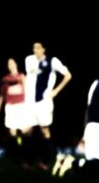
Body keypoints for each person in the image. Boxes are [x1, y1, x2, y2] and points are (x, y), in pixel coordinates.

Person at [52, 63, 99, 178]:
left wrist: (85, 131)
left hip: (92, 125)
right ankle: (71, 162)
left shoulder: (96, 83)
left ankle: (67, 162)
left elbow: (88, 110)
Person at [24, 41, 72, 170]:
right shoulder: (29, 60)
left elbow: (68, 75)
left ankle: (45, 161)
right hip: (30, 102)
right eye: (34, 48)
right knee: (27, 130)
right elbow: (31, 77)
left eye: (38, 48)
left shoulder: (53, 61)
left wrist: (56, 91)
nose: (35, 50)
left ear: (44, 49)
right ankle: (28, 162)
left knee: (45, 130)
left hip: (44, 102)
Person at [0, 57, 33, 164]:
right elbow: (2, 94)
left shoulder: (22, 76)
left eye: (12, 63)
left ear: (16, 64)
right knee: (12, 133)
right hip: (10, 107)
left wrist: (30, 105)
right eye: (9, 63)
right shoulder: (5, 79)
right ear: (7, 66)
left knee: (26, 132)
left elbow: (27, 90)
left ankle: (26, 156)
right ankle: (16, 156)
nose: (11, 65)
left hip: (22, 106)